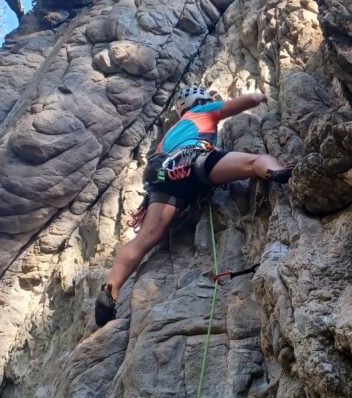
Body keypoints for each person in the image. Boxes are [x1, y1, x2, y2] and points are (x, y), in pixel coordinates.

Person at [94, 85, 292, 326]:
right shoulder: (202, 111)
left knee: (146, 237)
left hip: (163, 178)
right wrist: (261, 96)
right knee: (254, 161)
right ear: (201, 100)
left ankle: (110, 291)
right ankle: (277, 171)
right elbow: (247, 101)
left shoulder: (169, 135)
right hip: (195, 162)